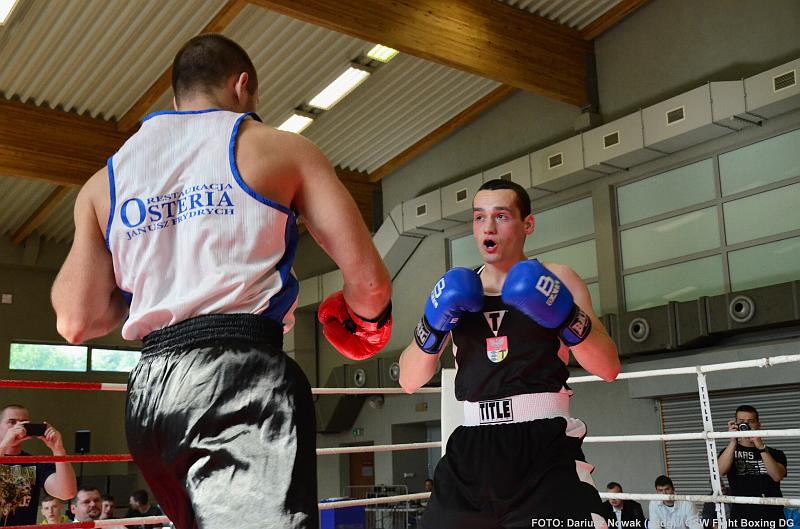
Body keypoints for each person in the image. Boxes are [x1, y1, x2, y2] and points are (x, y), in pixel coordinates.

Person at [51, 33, 392, 529]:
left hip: (150, 394)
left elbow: (76, 321)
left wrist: (155, 284)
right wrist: (368, 322)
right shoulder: (279, 148)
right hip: (240, 382)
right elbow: (370, 283)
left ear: (176, 99)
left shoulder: (104, 183)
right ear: (242, 85)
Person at [399, 179, 620, 528]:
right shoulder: (455, 289)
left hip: (544, 447)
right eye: (479, 217)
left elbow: (608, 367)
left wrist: (565, 316)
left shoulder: (557, 279)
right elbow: (409, 380)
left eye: (501, 216)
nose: (488, 227)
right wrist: (434, 322)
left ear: (527, 224)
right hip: (471, 448)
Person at [0, 404, 77, 526]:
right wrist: (4, 444)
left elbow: (67, 493)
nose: (18, 427)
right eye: (12, 422)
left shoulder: (35, 462)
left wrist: (58, 450)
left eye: (24, 423)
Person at [717, 405, 787, 525]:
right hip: (740, 518)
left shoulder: (775, 453)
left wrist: (760, 446)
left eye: (751, 421)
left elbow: (777, 476)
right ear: (735, 425)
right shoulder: (728, 452)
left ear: (759, 425)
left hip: (772, 517)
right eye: (741, 422)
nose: (746, 425)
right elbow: (719, 471)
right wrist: (733, 440)